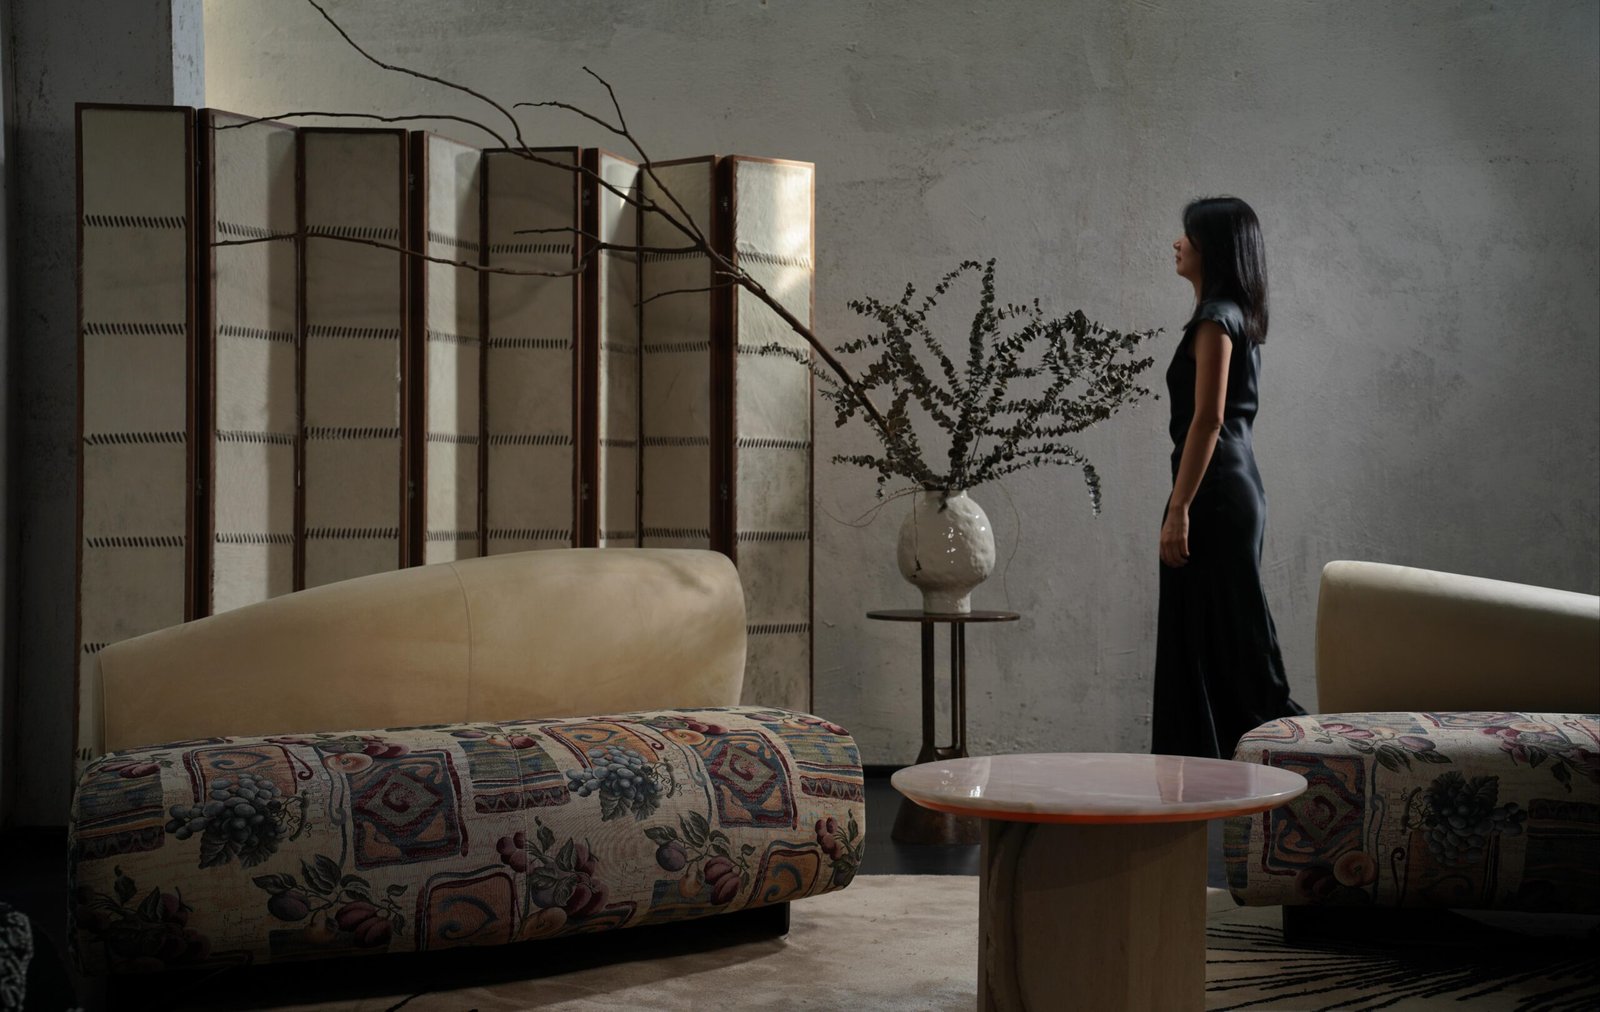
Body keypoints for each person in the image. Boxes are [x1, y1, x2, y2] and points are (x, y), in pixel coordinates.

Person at [1151, 196, 1305, 759]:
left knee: (1221, 639)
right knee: (1225, 635)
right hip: (1230, 487)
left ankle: (1289, 761)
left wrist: (1178, 508)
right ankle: (1245, 768)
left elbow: (1209, 419)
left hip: (1212, 492)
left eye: (1187, 235)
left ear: (1211, 248)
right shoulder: (1234, 315)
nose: (1177, 243)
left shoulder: (1216, 319)